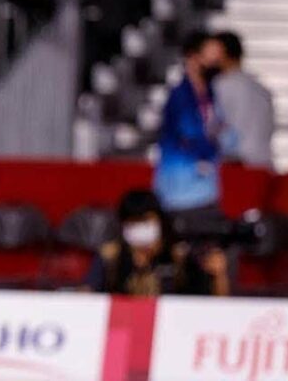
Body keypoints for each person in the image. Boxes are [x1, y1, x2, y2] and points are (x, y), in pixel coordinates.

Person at [84, 189, 229, 296]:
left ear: (159, 221)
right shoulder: (110, 256)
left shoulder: (179, 256)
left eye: (146, 221)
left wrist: (219, 277)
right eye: (133, 224)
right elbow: (87, 295)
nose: (140, 229)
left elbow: (212, 306)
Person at [155, 31, 222, 216]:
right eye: (211, 55)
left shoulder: (211, 95)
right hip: (180, 190)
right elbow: (190, 133)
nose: (216, 61)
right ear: (193, 57)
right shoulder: (180, 96)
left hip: (207, 188)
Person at [202, 31, 275, 169]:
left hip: (236, 167)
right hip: (263, 164)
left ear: (221, 53)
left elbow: (212, 126)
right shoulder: (262, 89)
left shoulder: (220, 86)